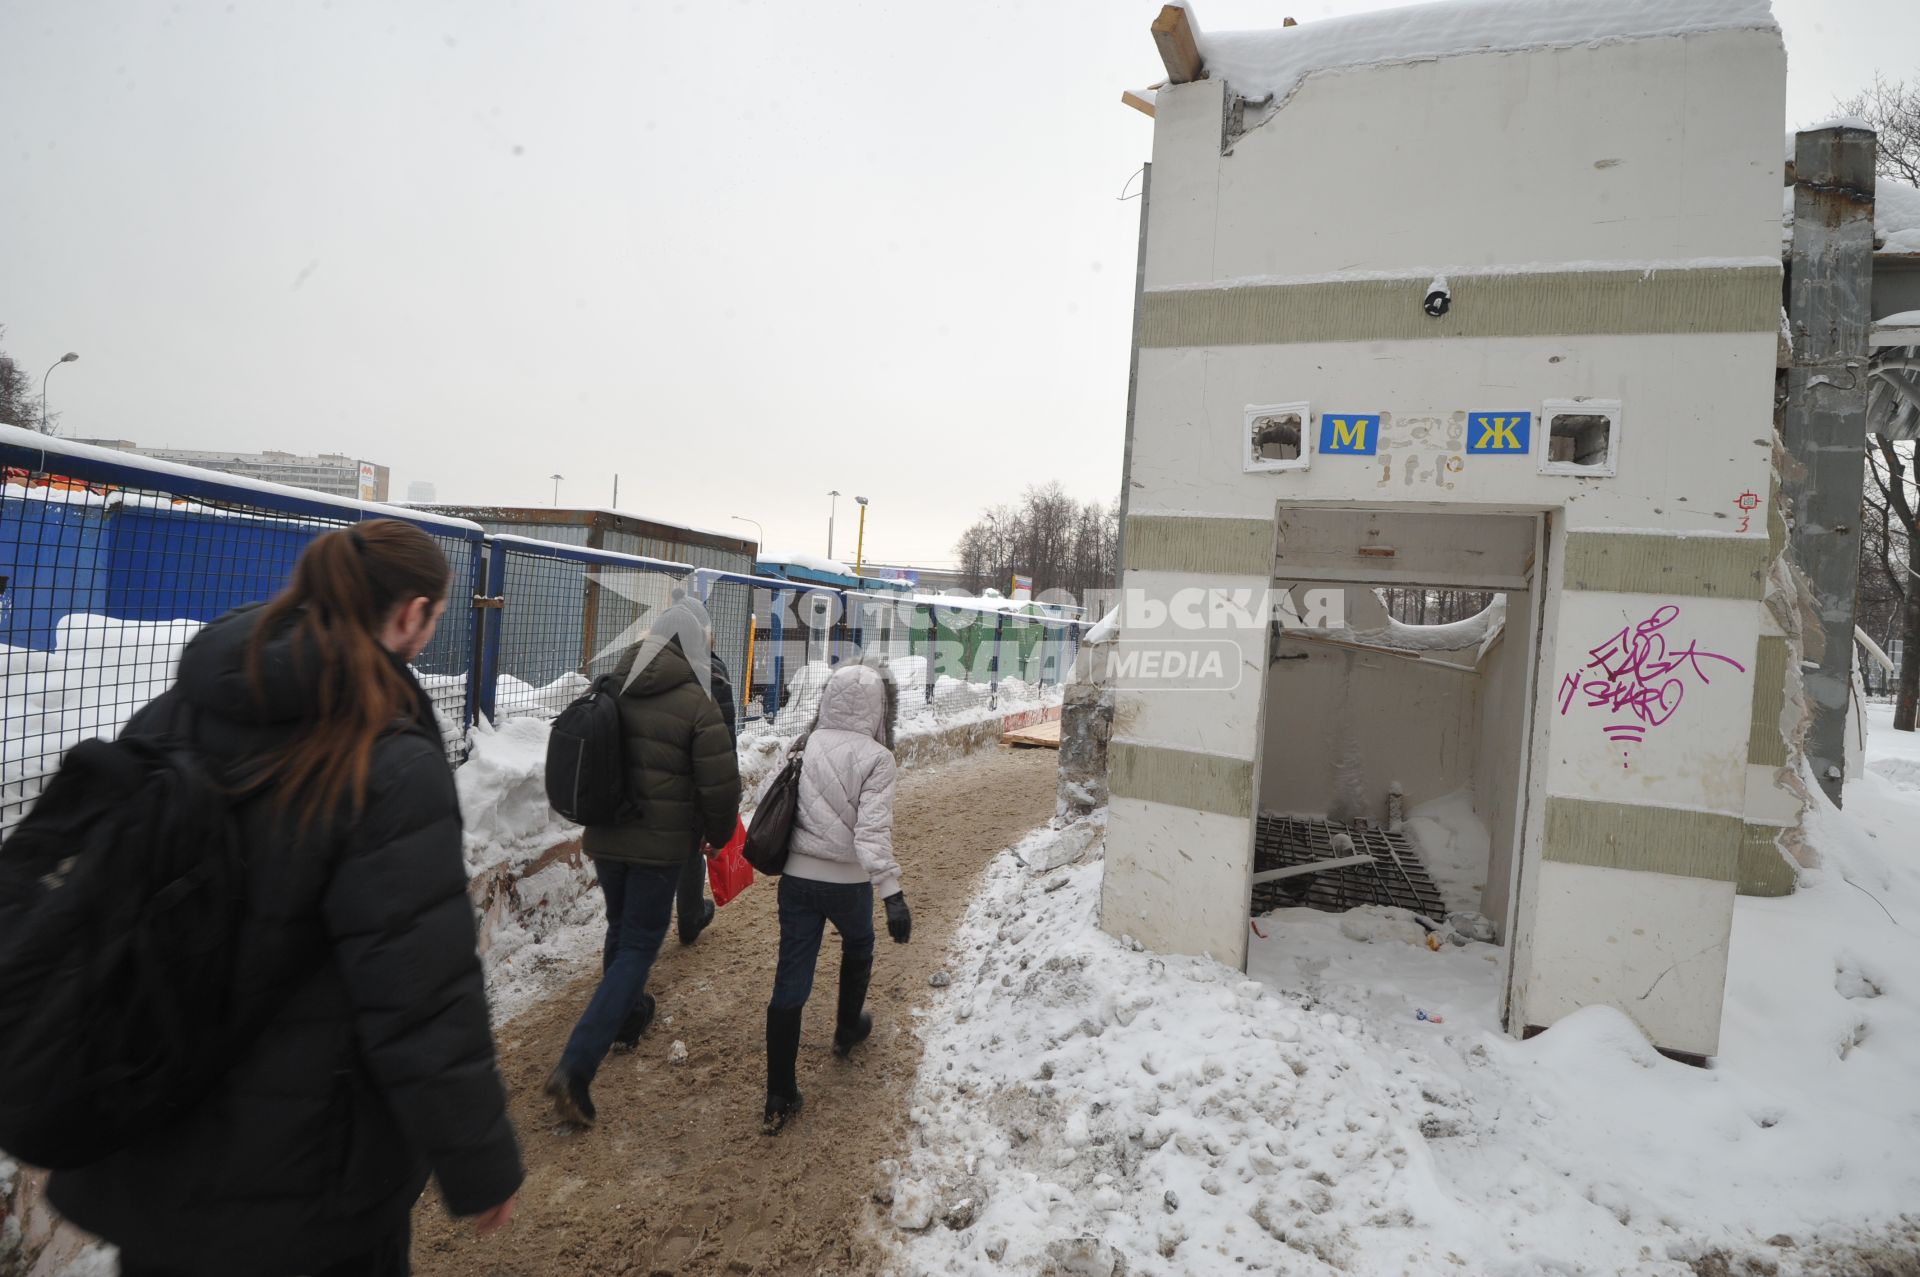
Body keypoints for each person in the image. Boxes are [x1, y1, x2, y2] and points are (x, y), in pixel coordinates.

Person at [48, 519, 523, 1277]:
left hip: (151, 1140)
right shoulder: (387, 759)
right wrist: (478, 1160)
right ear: (409, 613)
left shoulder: (183, 706)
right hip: (307, 1188)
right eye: (433, 618)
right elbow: (421, 995)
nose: (429, 638)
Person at [547, 597, 741, 1126]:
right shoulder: (699, 702)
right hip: (660, 849)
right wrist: (718, 836)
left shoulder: (613, 682)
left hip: (607, 839)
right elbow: (720, 787)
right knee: (636, 946)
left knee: (619, 929)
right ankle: (576, 1065)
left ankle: (628, 1015)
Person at [762, 659, 912, 1136]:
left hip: (797, 882)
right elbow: (871, 835)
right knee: (859, 943)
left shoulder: (804, 746)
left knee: (791, 978)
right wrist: (891, 893)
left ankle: (779, 1091)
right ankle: (848, 1028)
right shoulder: (877, 758)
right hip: (848, 886)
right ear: (880, 707)